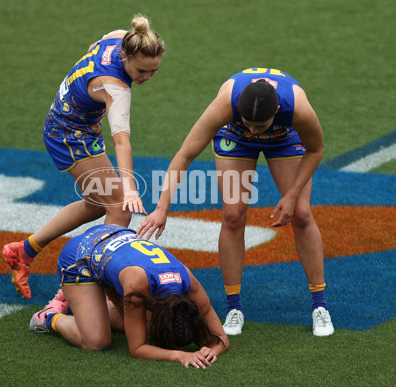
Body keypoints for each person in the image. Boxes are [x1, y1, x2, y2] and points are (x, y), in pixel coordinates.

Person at [137, 67, 335, 337]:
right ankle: (234, 307)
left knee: (300, 213)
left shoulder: (297, 108)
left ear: (276, 109)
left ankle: (320, 306)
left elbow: (316, 149)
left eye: (259, 125)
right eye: (248, 123)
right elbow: (184, 155)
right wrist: (162, 208)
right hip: (234, 138)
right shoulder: (225, 105)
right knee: (232, 216)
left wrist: (291, 195)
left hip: (283, 139)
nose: (254, 131)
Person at [3, 15, 165, 299]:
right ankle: (73, 290)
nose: (146, 78)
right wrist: (129, 188)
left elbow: (97, 44)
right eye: (141, 70)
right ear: (126, 56)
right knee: (119, 208)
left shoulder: (118, 37)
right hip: (68, 136)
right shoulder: (117, 88)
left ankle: (23, 251)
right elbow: (121, 141)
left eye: (153, 71)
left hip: (78, 128)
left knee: (96, 203)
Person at [29, 224, 229, 368]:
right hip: (79, 257)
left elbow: (221, 338)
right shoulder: (137, 288)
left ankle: (80, 303)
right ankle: (50, 316)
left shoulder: (189, 282)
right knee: (97, 341)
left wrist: (213, 349)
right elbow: (138, 348)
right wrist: (179, 355)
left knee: (135, 322)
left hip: (113, 241)